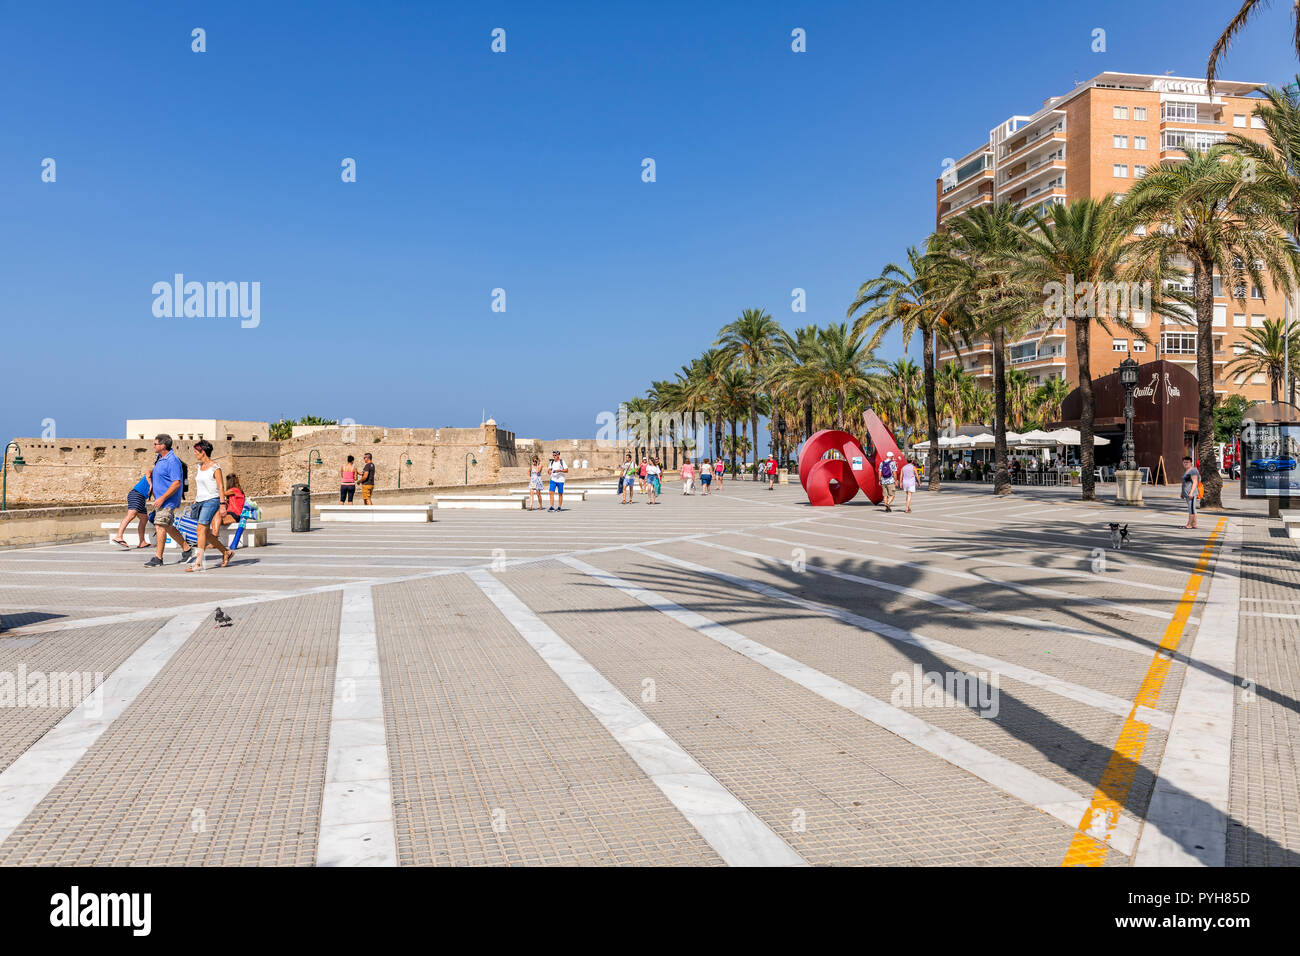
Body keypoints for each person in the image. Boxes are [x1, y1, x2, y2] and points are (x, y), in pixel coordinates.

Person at [145, 435, 193, 567]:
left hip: (167, 501)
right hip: (160, 501)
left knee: (160, 525)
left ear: (163, 446)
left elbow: (176, 483)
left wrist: (162, 498)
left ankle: (158, 558)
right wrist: (150, 473)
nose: (153, 446)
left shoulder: (172, 461)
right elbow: (162, 474)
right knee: (168, 527)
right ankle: (187, 550)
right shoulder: (160, 458)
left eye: (155, 444)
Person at [187, 440, 233, 571]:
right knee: (205, 533)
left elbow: (220, 486)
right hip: (200, 501)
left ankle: (198, 563)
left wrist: (222, 504)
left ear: (203, 452)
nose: (195, 454)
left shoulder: (215, 467)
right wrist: (196, 499)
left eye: (197, 452)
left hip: (212, 500)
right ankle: (226, 552)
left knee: (200, 529)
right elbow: (200, 485)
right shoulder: (199, 467)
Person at [113, 464, 155, 549]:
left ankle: (142, 542)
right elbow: (147, 472)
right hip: (136, 494)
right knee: (131, 514)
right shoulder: (154, 472)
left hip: (142, 497)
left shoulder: (160, 479)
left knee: (144, 519)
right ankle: (118, 536)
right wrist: (151, 484)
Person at [1181, 454, 1201, 530]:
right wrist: (1182, 493)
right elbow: (1184, 483)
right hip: (1187, 494)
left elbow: (1195, 482)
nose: (1185, 464)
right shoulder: (1187, 471)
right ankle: (1194, 524)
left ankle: (1189, 524)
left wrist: (1191, 492)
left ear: (1191, 463)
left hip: (1191, 494)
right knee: (1192, 509)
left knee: (1191, 509)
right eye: (1184, 462)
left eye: (1187, 462)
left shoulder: (1193, 471)